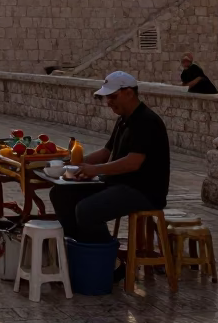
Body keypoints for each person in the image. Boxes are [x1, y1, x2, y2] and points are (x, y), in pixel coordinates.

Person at [49, 71, 171, 274]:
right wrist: (72, 164)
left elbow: (133, 162)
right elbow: (107, 152)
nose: (108, 102)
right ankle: (80, 249)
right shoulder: (124, 119)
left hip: (143, 191)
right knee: (61, 194)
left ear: (129, 93)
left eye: (113, 96)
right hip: (119, 184)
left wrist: (94, 170)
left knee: (88, 210)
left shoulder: (146, 121)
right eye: (108, 97)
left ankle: (109, 262)